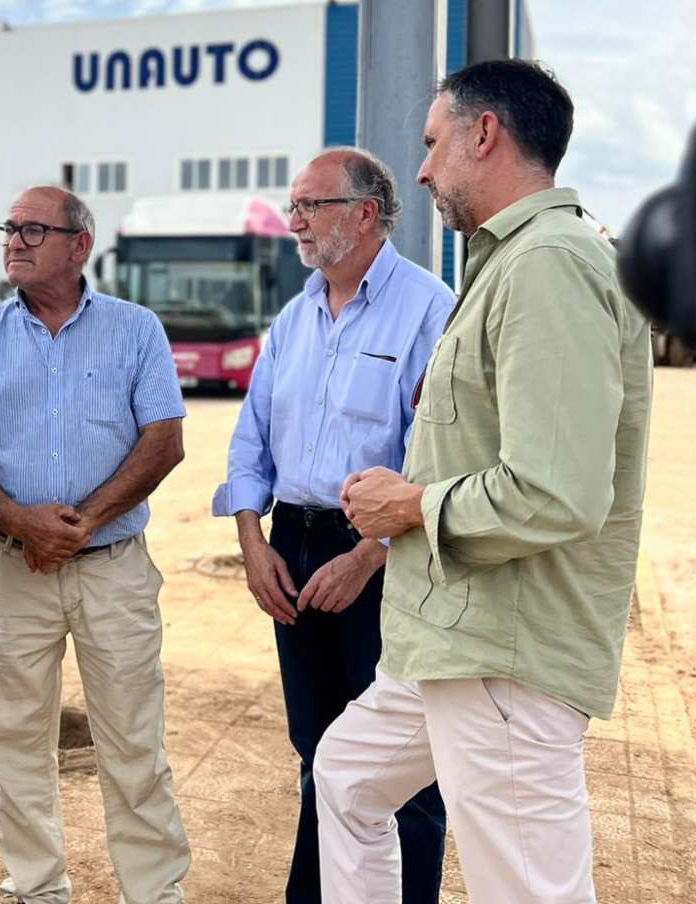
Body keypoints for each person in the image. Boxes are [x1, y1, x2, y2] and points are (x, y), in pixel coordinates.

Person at [314, 60, 652, 904]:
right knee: (348, 776)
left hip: (506, 649)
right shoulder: (510, 263)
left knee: (526, 889)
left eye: (433, 144)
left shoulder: (548, 264)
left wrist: (412, 504)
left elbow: (557, 491)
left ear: (484, 133)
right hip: (455, 635)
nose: (422, 170)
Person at [0, 186, 189, 904]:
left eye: (34, 229)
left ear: (79, 246)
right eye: (9, 227)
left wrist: (80, 524)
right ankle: (37, 889)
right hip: (10, 569)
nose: (15, 239)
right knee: (13, 741)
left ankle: (154, 892)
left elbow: (164, 443)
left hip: (113, 569)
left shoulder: (136, 330)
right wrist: (19, 522)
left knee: (134, 742)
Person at [211, 148, 451, 903]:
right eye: (295, 207)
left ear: (365, 214)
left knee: (402, 770)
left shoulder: (430, 308)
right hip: (293, 546)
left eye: (311, 206)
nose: (295, 223)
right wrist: (253, 543)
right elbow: (251, 439)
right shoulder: (293, 317)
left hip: (386, 558)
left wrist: (368, 556)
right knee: (318, 750)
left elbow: (439, 455)